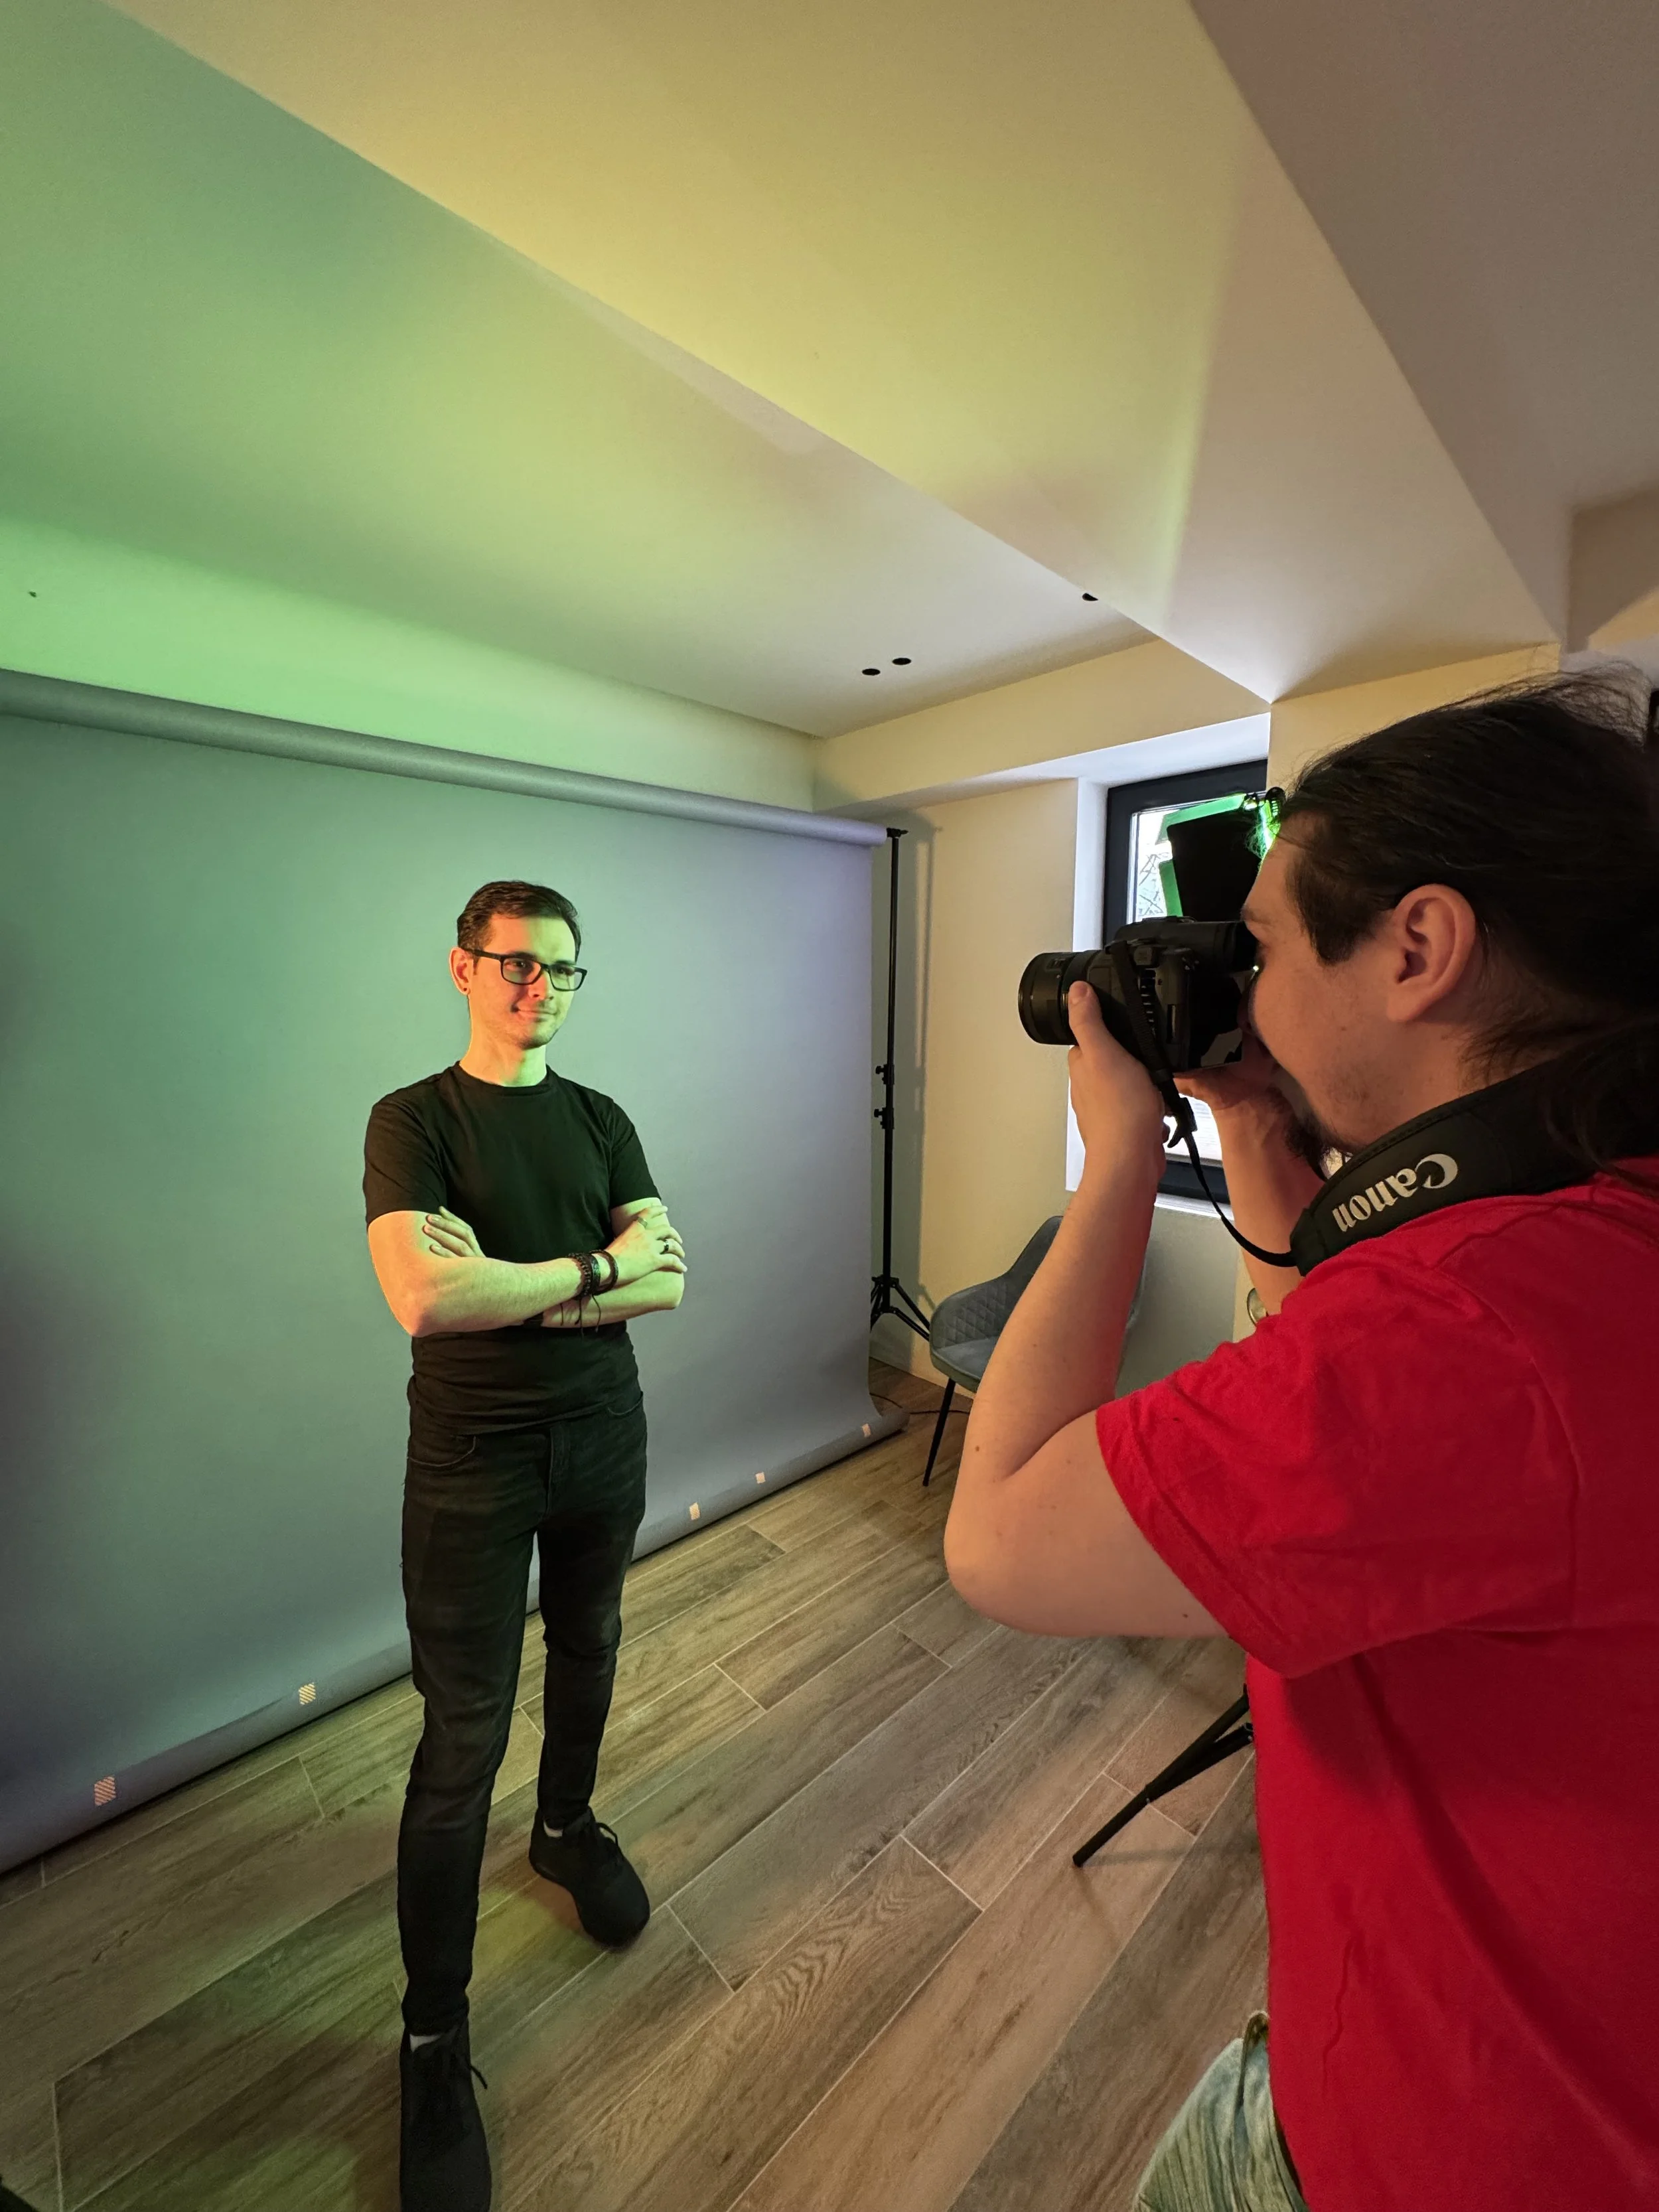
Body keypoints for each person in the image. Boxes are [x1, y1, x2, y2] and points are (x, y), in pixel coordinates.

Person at [943, 674, 1659, 2211]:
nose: (1244, 988)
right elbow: (1343, 1410)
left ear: (1415, 946)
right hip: (1416, 2061)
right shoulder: (1592, 1230)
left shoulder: (1473, 1330)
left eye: (1260, 946)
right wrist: (1266, 1142)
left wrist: (1118, 1154)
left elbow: (995, 1530)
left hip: (1430, 2151)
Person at [363, 879, 687, 2212]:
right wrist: (584, 1273)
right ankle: (434, 2035)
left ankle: (563, 1828)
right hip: (471, 1463)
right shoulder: (413, 1120)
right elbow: (426, 1298)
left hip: (602, 1438)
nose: (534, 987)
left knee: (594, 1648)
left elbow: (669, 1273)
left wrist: (533, 1277)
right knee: (459, 1739)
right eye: (510, 963)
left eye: (558, 968)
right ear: (461, 967)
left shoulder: (601, 1118)